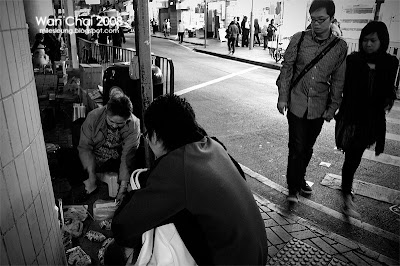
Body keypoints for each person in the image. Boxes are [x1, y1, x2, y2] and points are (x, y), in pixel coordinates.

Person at [112, 94, 268, 265]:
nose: (147, 141)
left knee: (163, 218)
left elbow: (123, 227)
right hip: (256, 254)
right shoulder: (214, 146)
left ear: (155, 136)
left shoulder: (176, 167)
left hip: (232, 261)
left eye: (147, 136)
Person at [276, 0, 347, 203]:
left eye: (321, 20)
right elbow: (287, 68)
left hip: (319, 106)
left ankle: (300, 178)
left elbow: (338, 80)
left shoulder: (339, 47)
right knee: (296, 146)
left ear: (332, 19)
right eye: (313, 20)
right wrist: (282, 98)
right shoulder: (298, 39)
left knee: (307, 147)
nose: (316, 24)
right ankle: (292, 187)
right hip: (297, 103)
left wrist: (333, 106)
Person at [337, 21, 398, 218]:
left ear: (383, 41)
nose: (368, 44)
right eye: (365, 40)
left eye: (373, 40)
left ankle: (346, 190)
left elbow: (390, 89)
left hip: (371, 122)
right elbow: (344, 87)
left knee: (355, 157)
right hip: (352, 119)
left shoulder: (390, 62)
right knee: (352, 158)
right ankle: (346, 195)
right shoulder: (354, 60)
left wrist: (388, 100)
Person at [78, 93, 141, 202]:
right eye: (111, 121)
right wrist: (91, 175)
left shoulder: (134, 125)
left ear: (128, 118)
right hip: (94, 156)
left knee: (137, 159)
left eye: (120, 123)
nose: (114, 126)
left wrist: (122, 189)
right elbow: (85, 147)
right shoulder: (93, 117)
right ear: (106, 111)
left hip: (115, 159)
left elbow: (127, 156)